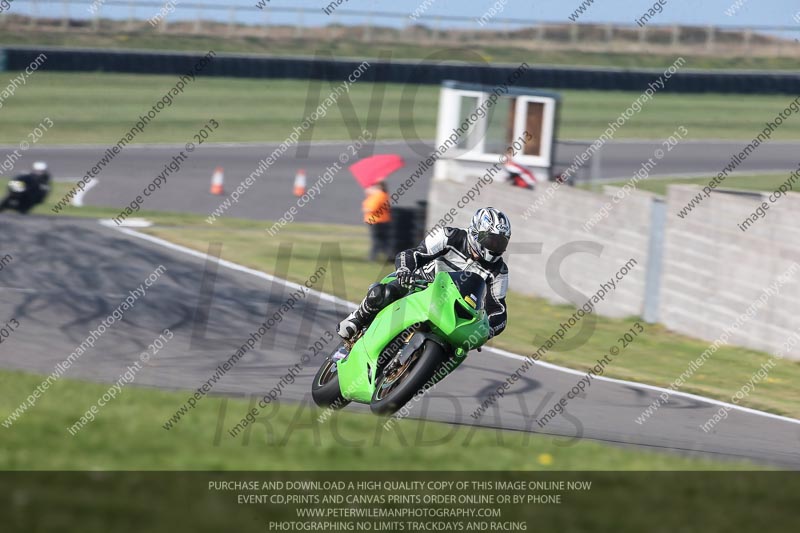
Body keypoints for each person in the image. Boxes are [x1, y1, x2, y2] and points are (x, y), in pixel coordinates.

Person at [338, 206, 511, 343]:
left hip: (454, 309)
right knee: (384, 293)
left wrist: (487, 330)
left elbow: (498, 310)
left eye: (500, 243)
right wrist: (405, 271)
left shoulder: (499, 271)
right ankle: (357, 319)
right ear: (476, 233)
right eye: (492, 240)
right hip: (419, 285)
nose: (495, 247)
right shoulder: (449, 236)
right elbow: (413, 254)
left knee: (460, 347)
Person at [363, 181, 392, 262]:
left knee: (377, 240)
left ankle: (373, 257)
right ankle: (389, 255)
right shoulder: (383, 195)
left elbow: (371, 208)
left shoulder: (378, 196)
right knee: (383, 240)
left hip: (376, 221)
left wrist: (365, 209)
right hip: (382, 220)